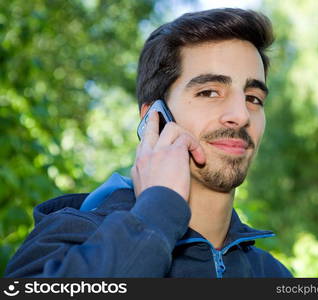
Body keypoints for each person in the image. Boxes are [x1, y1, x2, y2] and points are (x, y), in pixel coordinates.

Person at [5, 8, 292, 278]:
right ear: (155, 118)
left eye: (254, 99)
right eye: (209, 92)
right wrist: (158, 214)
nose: (241, 115)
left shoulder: (272, 274)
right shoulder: (69, 238)